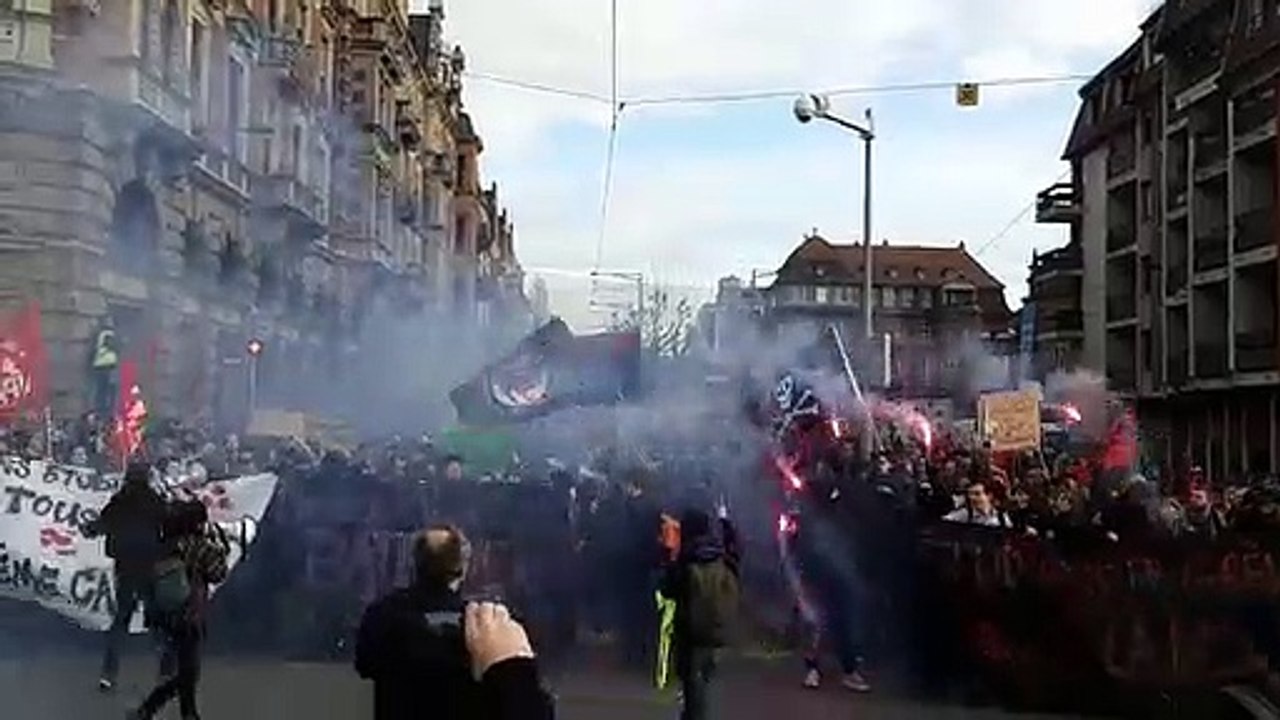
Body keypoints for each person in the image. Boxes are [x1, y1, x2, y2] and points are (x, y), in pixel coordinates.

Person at [355, 523, 556, 720]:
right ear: (463, 568)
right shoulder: (486, 626)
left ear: (415, 563)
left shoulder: (382, 615)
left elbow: (365, 666)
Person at [129, 499, 229, 720]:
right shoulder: (202, 547)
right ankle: (151, 709)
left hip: (163, 614)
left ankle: (184, 712)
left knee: (183, 666)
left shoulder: (164, 546)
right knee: (188, 670)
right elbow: (218, 573)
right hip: (189, 613)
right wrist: (221, 547)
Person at [84, 462, 167, 692]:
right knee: (157, 620)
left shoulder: (120, 501)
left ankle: (109, 674)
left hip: (126, 567)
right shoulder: (154, 500)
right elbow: (169, 523)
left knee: (121, 620)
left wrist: (88, 529)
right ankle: (166, 671)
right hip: (150, 566)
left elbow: (100, 525)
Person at [659, 504, 740, 720]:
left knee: (693, 692)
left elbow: (668, 589)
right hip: (717, 630)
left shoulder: (686, 559)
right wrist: (726, 523)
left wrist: (669, 555)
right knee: (703, 683)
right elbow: (735, 551)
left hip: (690, 634)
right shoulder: (721, 557)